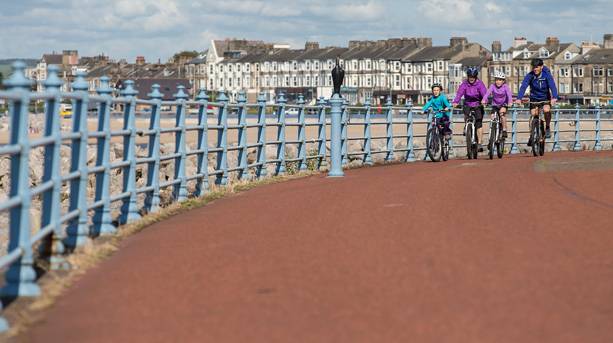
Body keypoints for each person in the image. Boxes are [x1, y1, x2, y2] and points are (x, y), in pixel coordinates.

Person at [515, 58, 558, 143]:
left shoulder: (547, 75)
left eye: (537, 67)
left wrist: (554, 97)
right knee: (533, 114)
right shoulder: (530, 76)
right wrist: (519, 98)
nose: (535, 69)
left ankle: (548, 127)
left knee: (546, 110)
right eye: (533, 67)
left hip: (545, 97)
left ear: (541, 67)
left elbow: (552, 86)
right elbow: (523, 86)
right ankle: (532, 135)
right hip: (534, 97)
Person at [452, 66, 488, 151]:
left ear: (476, 77)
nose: (471, 78)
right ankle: (466, 126)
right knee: (466, 113)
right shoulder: (464, 84)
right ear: (468, 76)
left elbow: (484, 94)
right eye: (470, 77)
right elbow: (459, 93)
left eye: (473, 77)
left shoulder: (480, 84)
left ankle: (479, 143)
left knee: (478, 123)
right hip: (468, 103)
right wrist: (455, 101)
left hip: (478, 104)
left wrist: (484, 101)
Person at [482, 70, 513, 139]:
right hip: (495, 104)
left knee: (502, 114)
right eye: (496, 80)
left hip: (503, 104)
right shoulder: (492, 86)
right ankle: (492, 131)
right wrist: (484, 99)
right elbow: (487, 93)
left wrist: (510, 102)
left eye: (500, 80)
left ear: (503, 81)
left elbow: (509, 95)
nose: (498, 82)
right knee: (492, 116)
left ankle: (504, 130)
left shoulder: (505, 87)